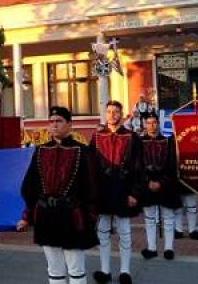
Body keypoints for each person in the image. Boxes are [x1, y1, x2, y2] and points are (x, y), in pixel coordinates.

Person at [19, 106, 98, 284]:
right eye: (52, 121)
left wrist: (90, 217)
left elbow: (91, 187)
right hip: (46, 215)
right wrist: (27, 215)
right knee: (54, 270)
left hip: (72, 216)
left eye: (59, 121)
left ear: (69, 124)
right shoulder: (40, 150)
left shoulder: (82, 151)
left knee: (76, 270)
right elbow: (30, 186)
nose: (54, 125)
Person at [89, 101, 141, 284]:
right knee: (102, 231)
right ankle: (105, 271)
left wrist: (134, 192)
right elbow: (90, 166)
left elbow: (138, 167)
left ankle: (125, 271)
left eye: (116, 112)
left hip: (123, 189)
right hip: (103, 191)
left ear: (121, 114)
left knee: (124, 231)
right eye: (109, 111)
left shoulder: (131, 137)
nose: (112, 115)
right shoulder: (97, 137)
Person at [137, 112, 181, 261]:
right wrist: (147, 181)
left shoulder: (168, 141)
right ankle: (152, 248)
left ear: (158, 123)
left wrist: (161, 182)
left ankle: (169, 248)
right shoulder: (139, 142)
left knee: (168, 217)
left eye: (154, 122)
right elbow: (138, 165)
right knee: (149, 218)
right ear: (145, 125)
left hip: (165, 183)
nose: (152, 126)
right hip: (147, 184)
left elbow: (172, 164)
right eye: (149, 123)